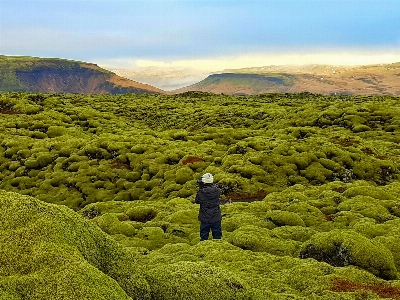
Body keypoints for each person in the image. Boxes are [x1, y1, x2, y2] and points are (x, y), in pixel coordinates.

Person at [195, 173, 222, 241]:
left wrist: (201, 187)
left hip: (205, 217)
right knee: (217, 236)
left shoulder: (201, 192)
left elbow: (197, 201)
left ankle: (203, 248)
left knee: (204, 236)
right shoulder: (218, 191)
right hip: (216, 216)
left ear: (204, 182)